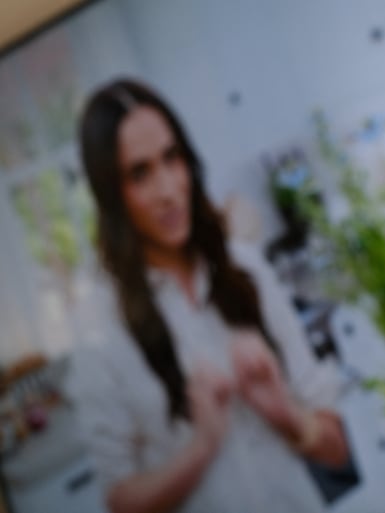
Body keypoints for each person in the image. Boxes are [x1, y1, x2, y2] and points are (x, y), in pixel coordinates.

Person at [68, 79, 349, 513]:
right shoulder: (101, 330)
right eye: (139, 173)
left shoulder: (245, 270)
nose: (167, 190)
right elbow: (120, 500)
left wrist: (284, 413)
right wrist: (202, 445)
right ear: (111, 196)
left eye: (171, 157)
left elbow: (337, 449)